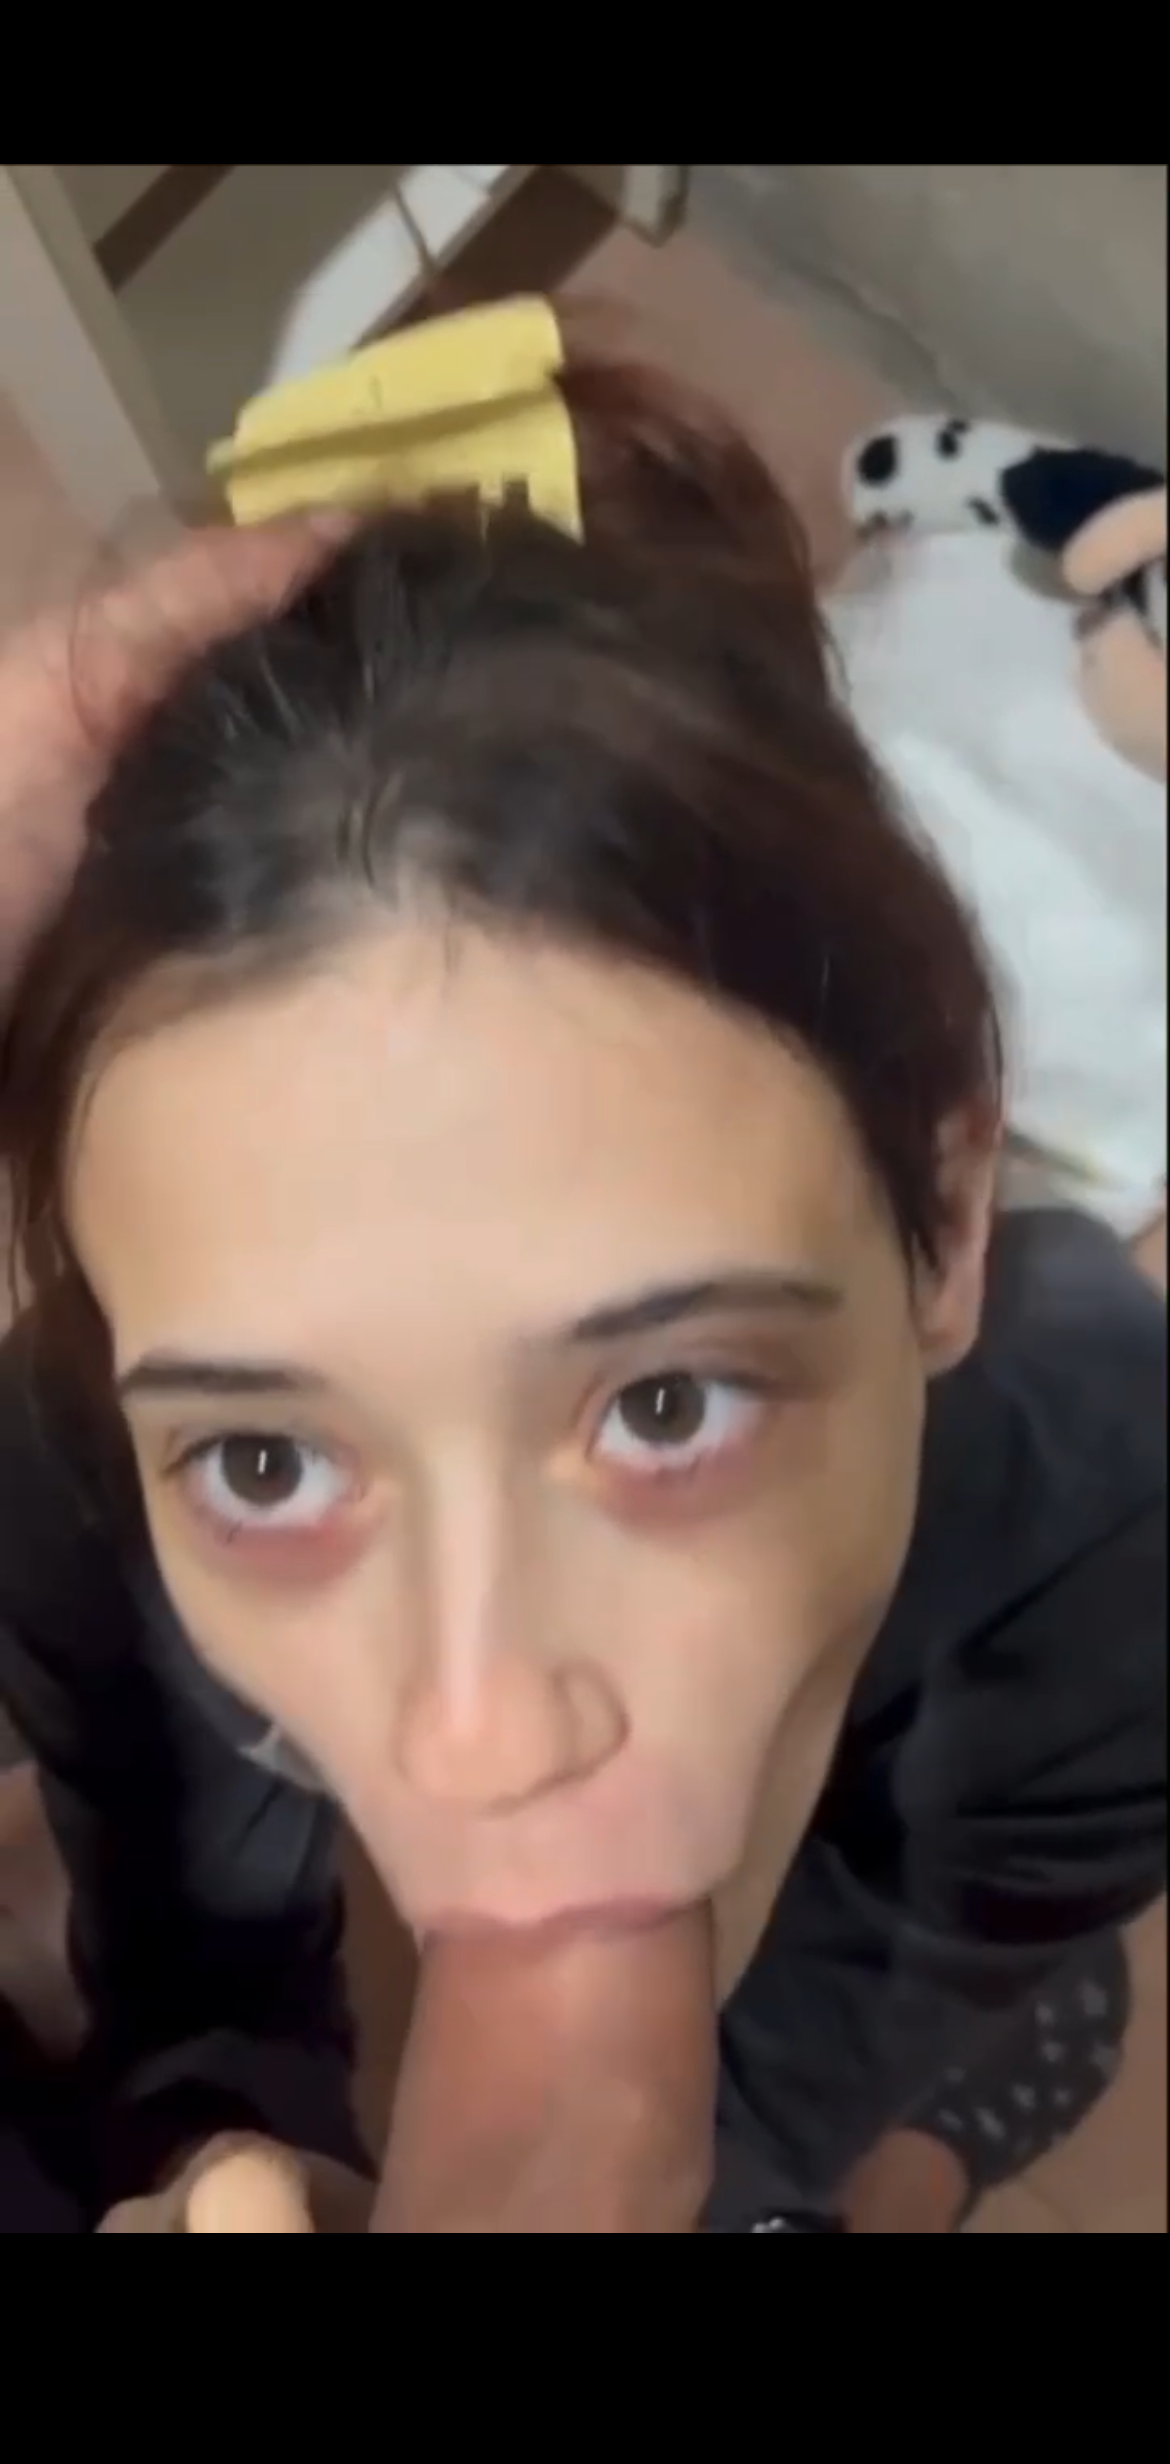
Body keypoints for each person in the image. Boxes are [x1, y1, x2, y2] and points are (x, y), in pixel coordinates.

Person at [0, 311, 1164, 2232]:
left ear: (949, 1212)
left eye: (665, 1404)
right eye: (268, 1463)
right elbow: (190, 2010)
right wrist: (218, 2164)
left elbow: (832, 2037)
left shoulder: (1110, 1518)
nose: (483, 1733)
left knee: (1009, 2044)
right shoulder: (76, 1482)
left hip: (894, 1942)